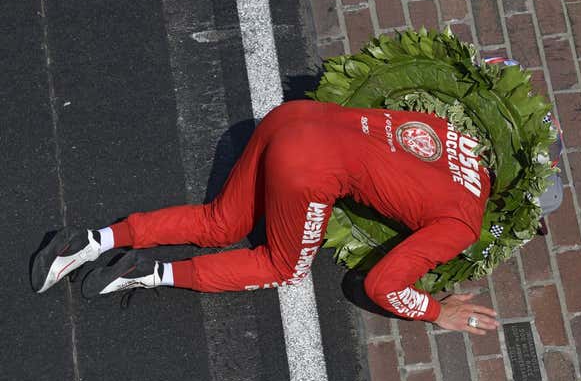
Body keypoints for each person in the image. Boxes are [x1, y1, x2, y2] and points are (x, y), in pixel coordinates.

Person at [32, 100, 499, 335]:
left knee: (221, 222)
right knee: (284, 267)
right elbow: (383, 286)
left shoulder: (455, 134)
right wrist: (440, 311)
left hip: (293, 118)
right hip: (306, 167)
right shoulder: (465, 222)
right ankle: (148, 272)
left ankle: (92, 240)